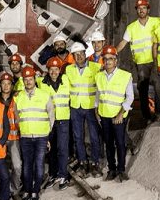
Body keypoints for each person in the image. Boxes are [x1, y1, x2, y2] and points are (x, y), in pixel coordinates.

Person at [116, 0, 160, 122]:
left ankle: (159, 114)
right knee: (142, 89)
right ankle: (147, 116)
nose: (141, 10)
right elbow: (123, 42)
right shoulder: (132, 27)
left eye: (144, 8)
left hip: (156, 60)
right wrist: (113, 52)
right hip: (141, 63)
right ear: (136, 10)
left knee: (159, 87)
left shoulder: (157, 22)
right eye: (139, 8)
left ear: (148, 9)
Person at [14, 65, 55, 200]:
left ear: (34, 79)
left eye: (30, 79)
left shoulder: (44, 95)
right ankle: (26, 190)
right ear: (23, 81)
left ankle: (35, 190)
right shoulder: (18, 97)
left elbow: (51, 115)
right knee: (26, 165)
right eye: (26, 80)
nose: (28, 82)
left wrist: (47, 134)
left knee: (39, 164)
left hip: (41, 137)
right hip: (25, 137)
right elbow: (16, 117)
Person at [95, 46, 133, 182]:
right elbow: (98, 95)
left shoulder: (125, 76)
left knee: (120, 143)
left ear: (116, 61)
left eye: (111, 59)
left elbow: (130, 97)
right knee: (108, 143)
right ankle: (111, 169)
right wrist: (96, 110)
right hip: (104, 115)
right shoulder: (99, 76)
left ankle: (121, 170)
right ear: (103, 61)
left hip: (118, 116)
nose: (108, 61)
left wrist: (120, 113)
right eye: (106, 59)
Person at [67, 42, 102, 178]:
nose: (79, 56)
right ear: (73, 56)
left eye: (81, 53)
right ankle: (82, 163)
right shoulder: (69, 70)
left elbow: (100, 87)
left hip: (91, 107)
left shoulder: (95, 67)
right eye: (76, 55)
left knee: (94, 136)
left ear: (85, 54)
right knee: (78, 137)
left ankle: (95, 163)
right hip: (75, 107)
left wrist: (98, 106)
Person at [38, 56, 71, 190]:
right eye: (51, 70)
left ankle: (63, 175)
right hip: (49, 121)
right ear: (47, 70)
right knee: (51, 150)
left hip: (63, 120)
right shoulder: (41, 82)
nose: (53, 72)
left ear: (59, 70)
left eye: (56, 69)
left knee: (63, 149)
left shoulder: (65, 79)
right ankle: (52, 174)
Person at [0, 72, 23, 198]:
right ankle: (3, 191)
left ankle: (14, 190)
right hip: (0, 140)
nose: (6, 86)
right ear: (0, 85)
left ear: (12, 85)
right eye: (4, 83)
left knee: (17, 166)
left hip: (14, 138)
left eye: (9, 83)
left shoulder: (17, 99)